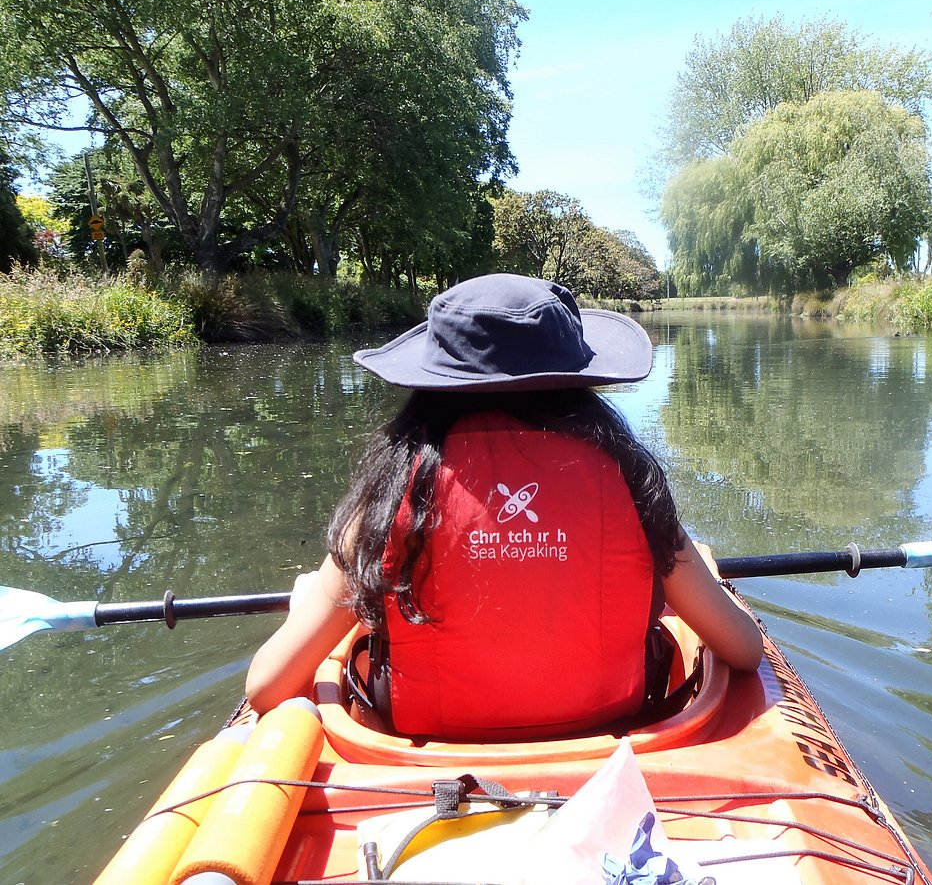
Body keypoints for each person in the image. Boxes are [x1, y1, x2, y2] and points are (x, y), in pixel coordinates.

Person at [246, 273, 763, 738]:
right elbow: (743, 650)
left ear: (432, 383)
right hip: (609, 731)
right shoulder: (629, 478)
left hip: (428, 748)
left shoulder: (391, 491)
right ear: (578, 382)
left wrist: (306, 604)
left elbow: (267, 687)